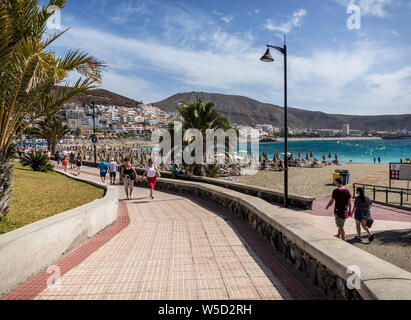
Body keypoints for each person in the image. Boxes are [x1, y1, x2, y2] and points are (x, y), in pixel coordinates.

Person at [326, 177, 352, 241]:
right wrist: (350, 210)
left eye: (335, 182)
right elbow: (349, 202)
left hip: (338, 211)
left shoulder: (336, 191)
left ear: (337, 182)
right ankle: (338, 235)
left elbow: (332, 201)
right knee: (341, 224)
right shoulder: (347, 191)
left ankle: (344, 240)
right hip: (345, 211)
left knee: (341, 227)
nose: (335, 183)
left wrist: (327, 206)